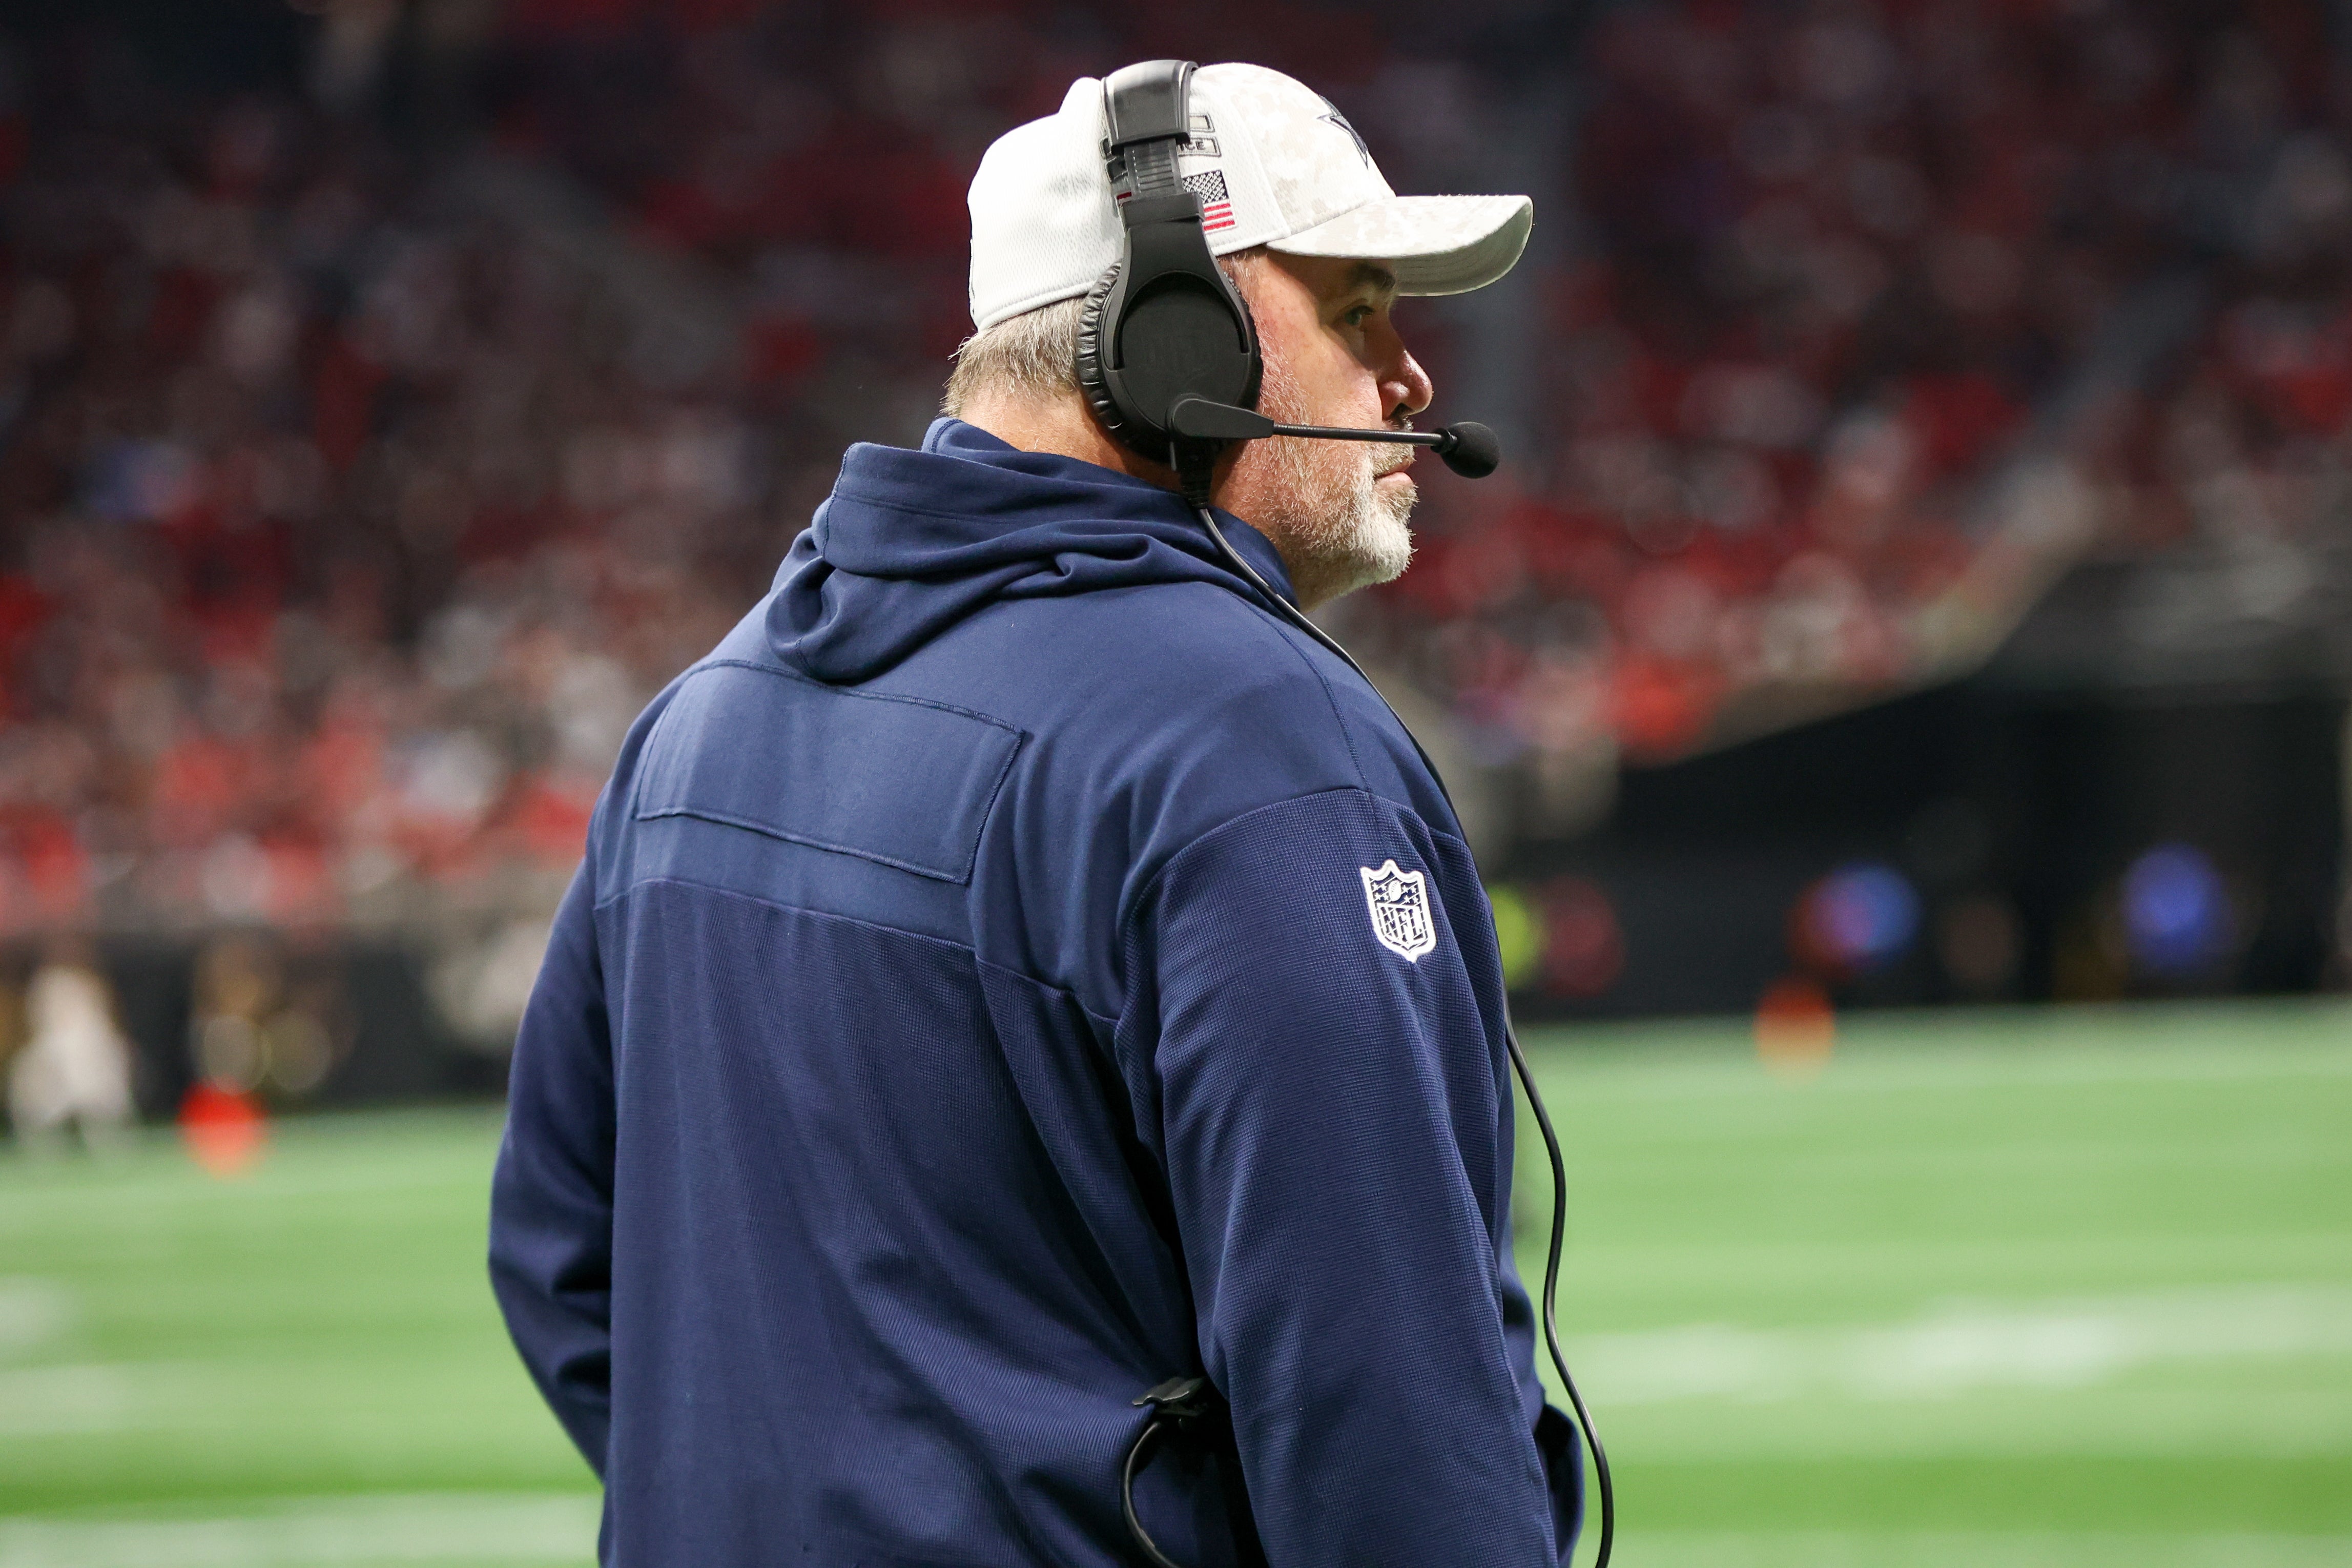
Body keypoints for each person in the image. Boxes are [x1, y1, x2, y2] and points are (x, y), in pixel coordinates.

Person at [490, 60, 1579, 1567]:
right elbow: (1389, 1416)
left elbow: (564, 1258)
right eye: (1358, 312)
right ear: (1173, 340)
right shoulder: (1250, 748)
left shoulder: (692, 724)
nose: (1410, 383)